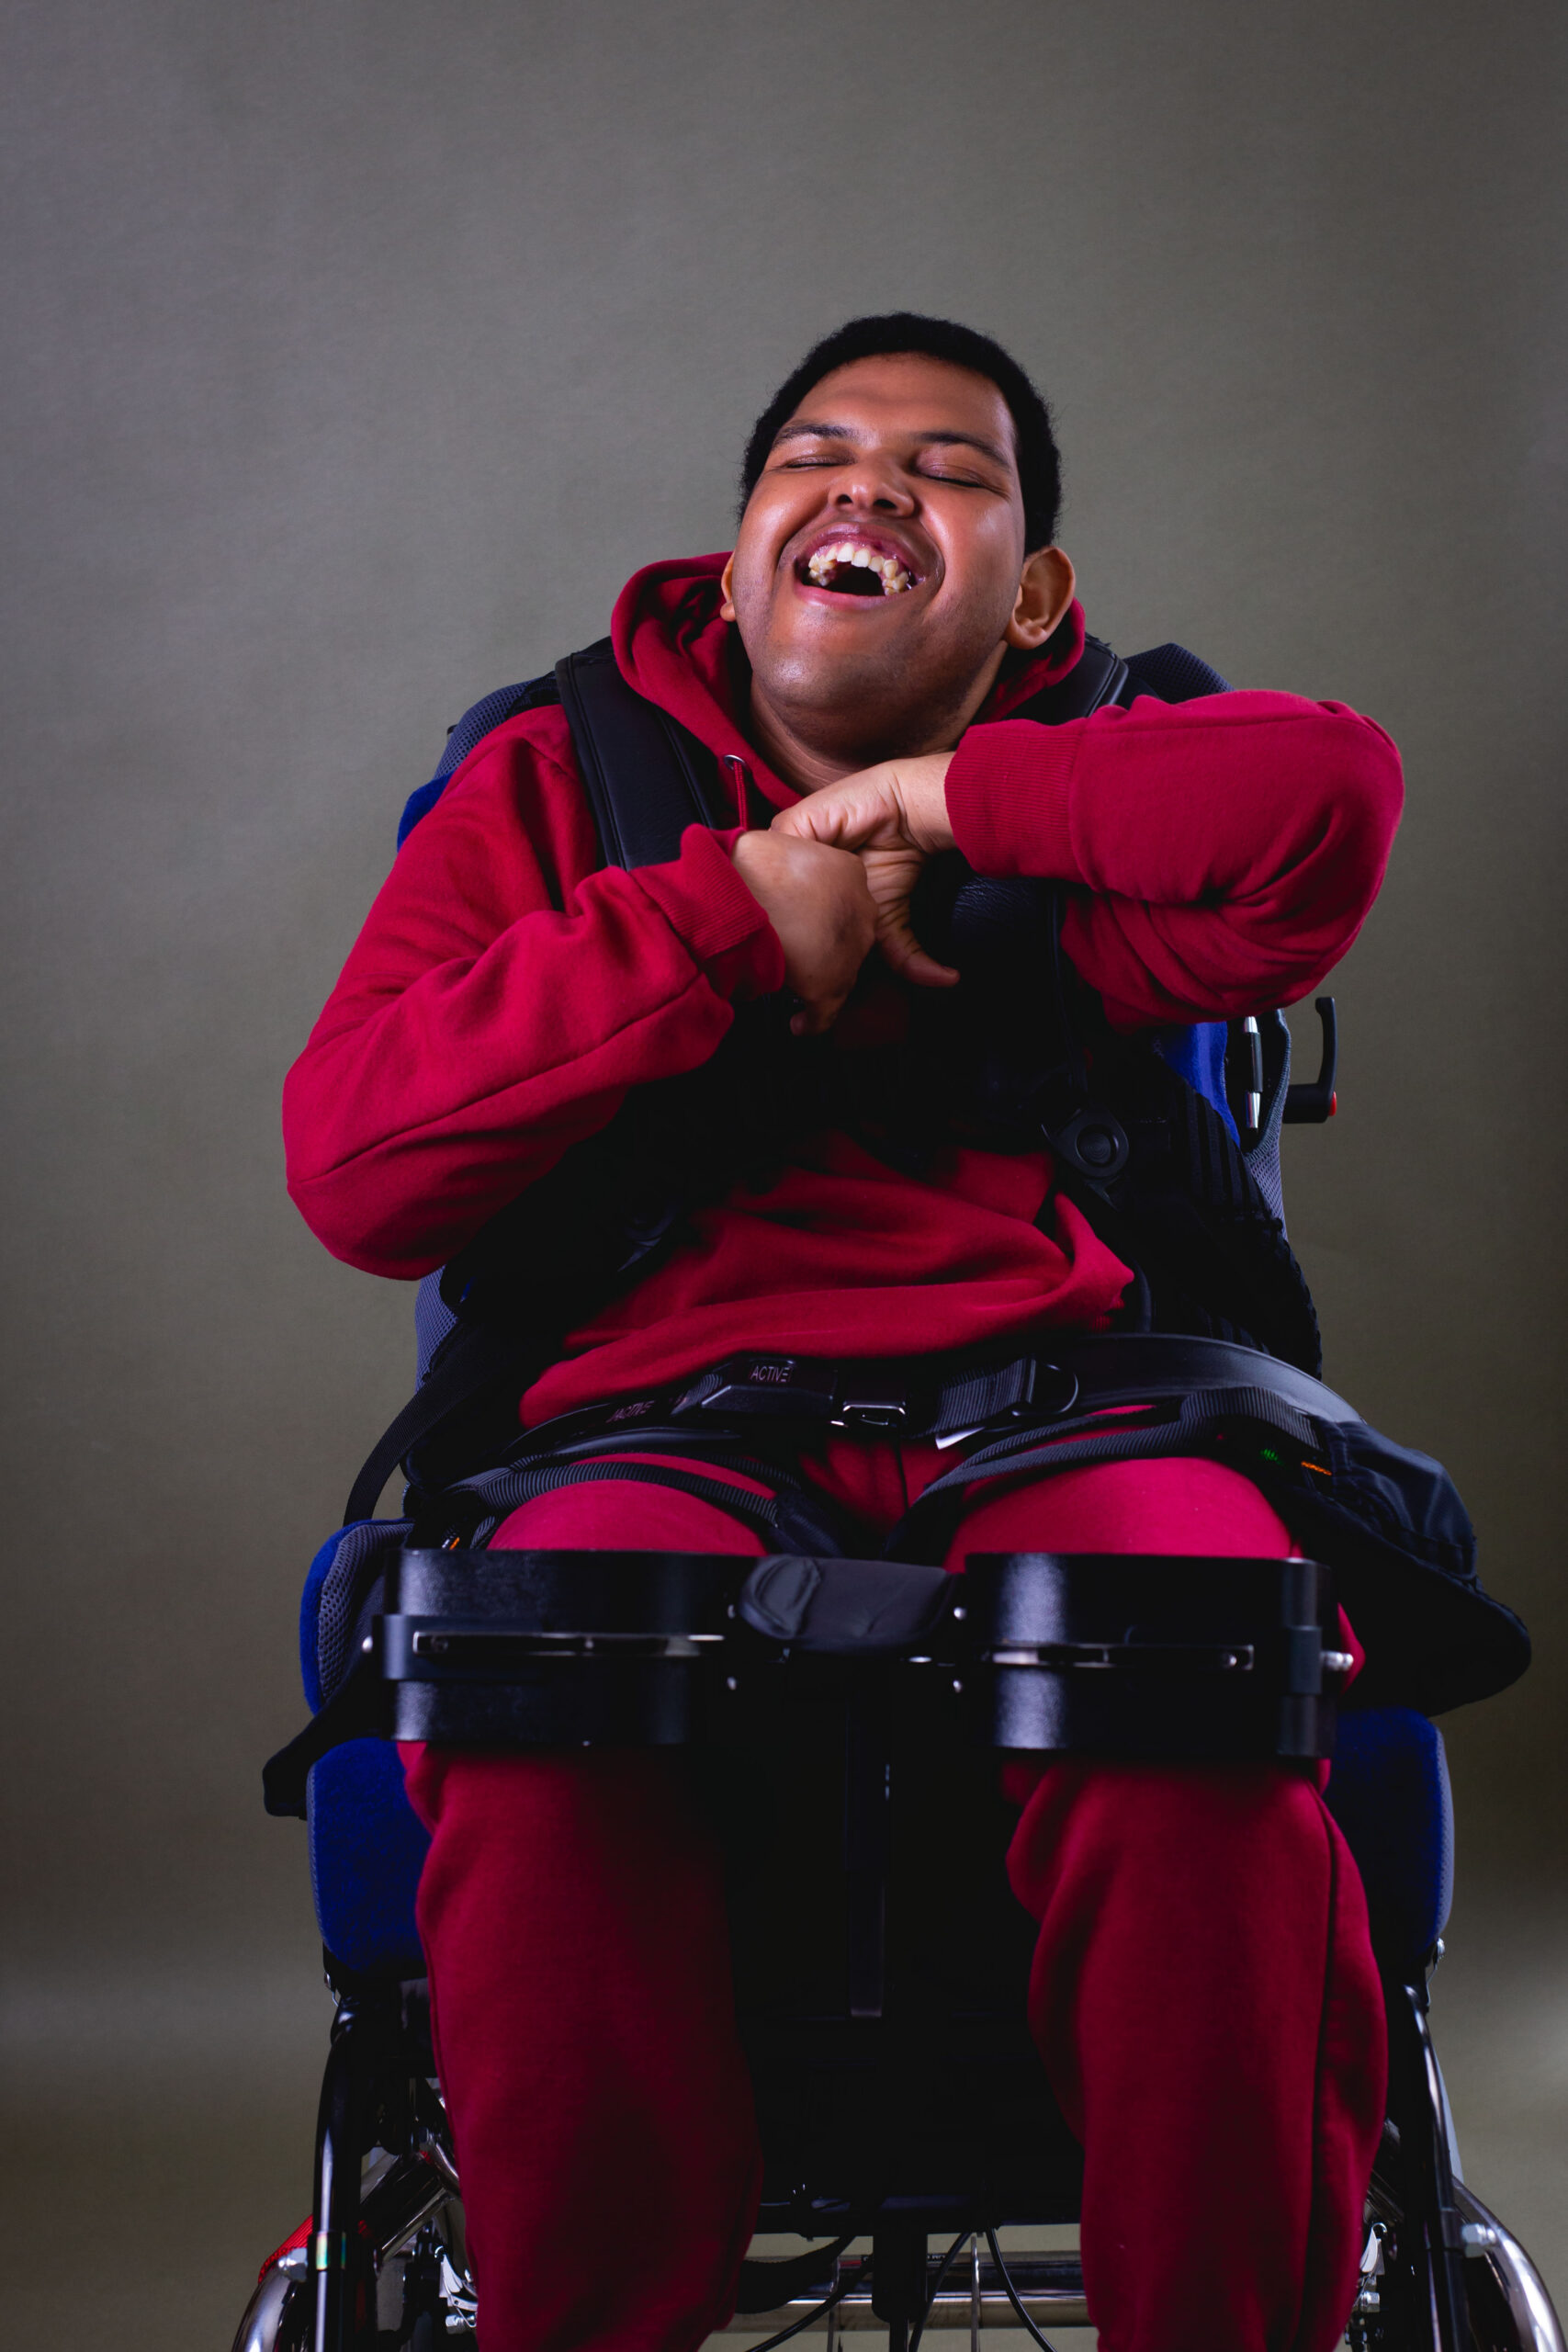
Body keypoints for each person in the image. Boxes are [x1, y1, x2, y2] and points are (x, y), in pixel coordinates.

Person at [284, 314, 1408, 2352]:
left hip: (1063, 1409)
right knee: (546, 1653)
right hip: (656, 1416)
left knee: (1185, 1639)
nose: (871, 479)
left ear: (1033, 589)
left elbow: (1325, 790)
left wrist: (941, 795)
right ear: (732, 559)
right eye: (813, 449)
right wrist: (730, 909)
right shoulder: (552, 776)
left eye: (949, 467)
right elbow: (360, 1164)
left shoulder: (1108, 782)